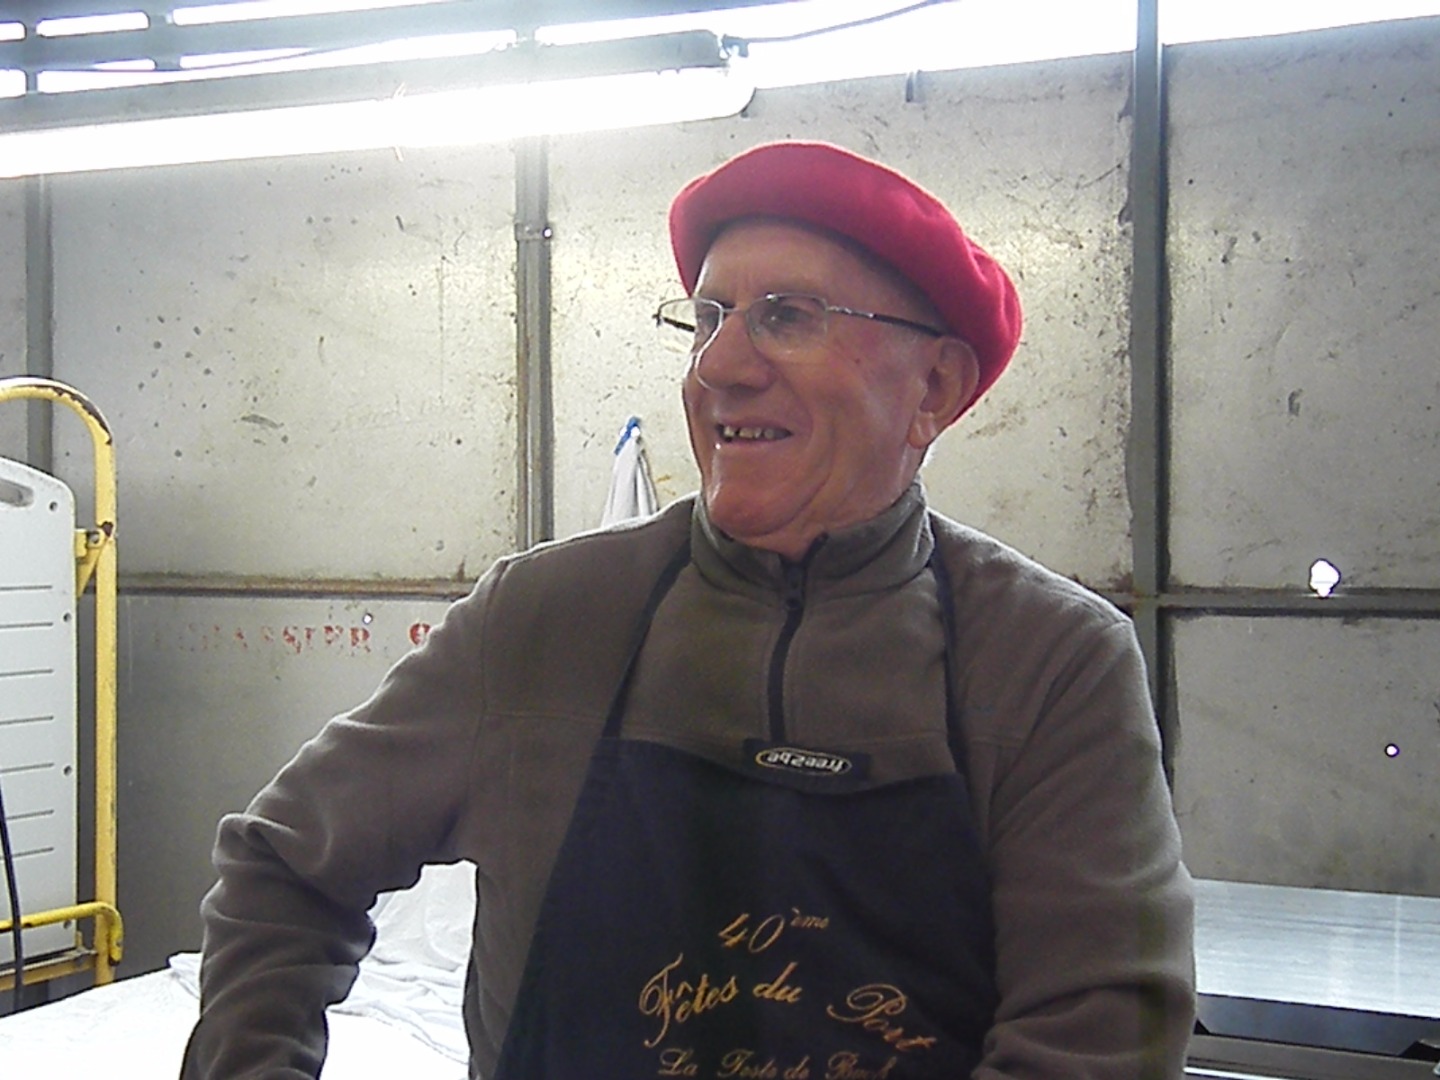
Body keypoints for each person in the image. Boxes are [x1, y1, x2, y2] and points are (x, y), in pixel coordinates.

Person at [182, 140, 1195, 1079]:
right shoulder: (543, 620)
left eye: (786, 316)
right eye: (708, 319)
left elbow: (1098, 1027)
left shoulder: (1048, 661)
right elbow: (285, 867)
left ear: (934, 384)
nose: (717, 367)